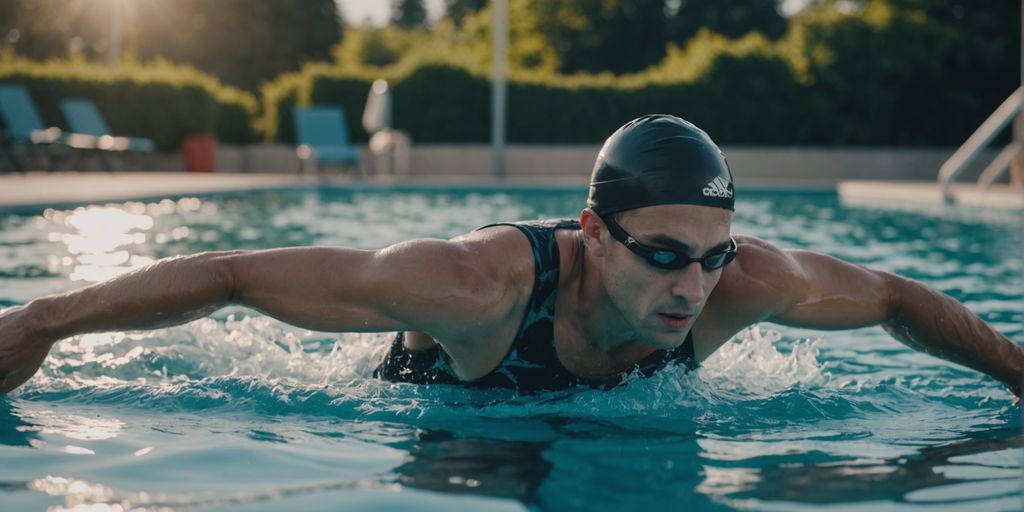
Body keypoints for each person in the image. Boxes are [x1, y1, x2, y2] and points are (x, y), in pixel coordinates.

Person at [0, 115, 1021, 396]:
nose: (692, 283)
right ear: (589, 232)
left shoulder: (740, 284)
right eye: (664, 252)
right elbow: (233, 276)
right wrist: (40, 322)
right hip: (433, 413)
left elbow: (889, 296)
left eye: (713, 255)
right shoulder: (472, 282)